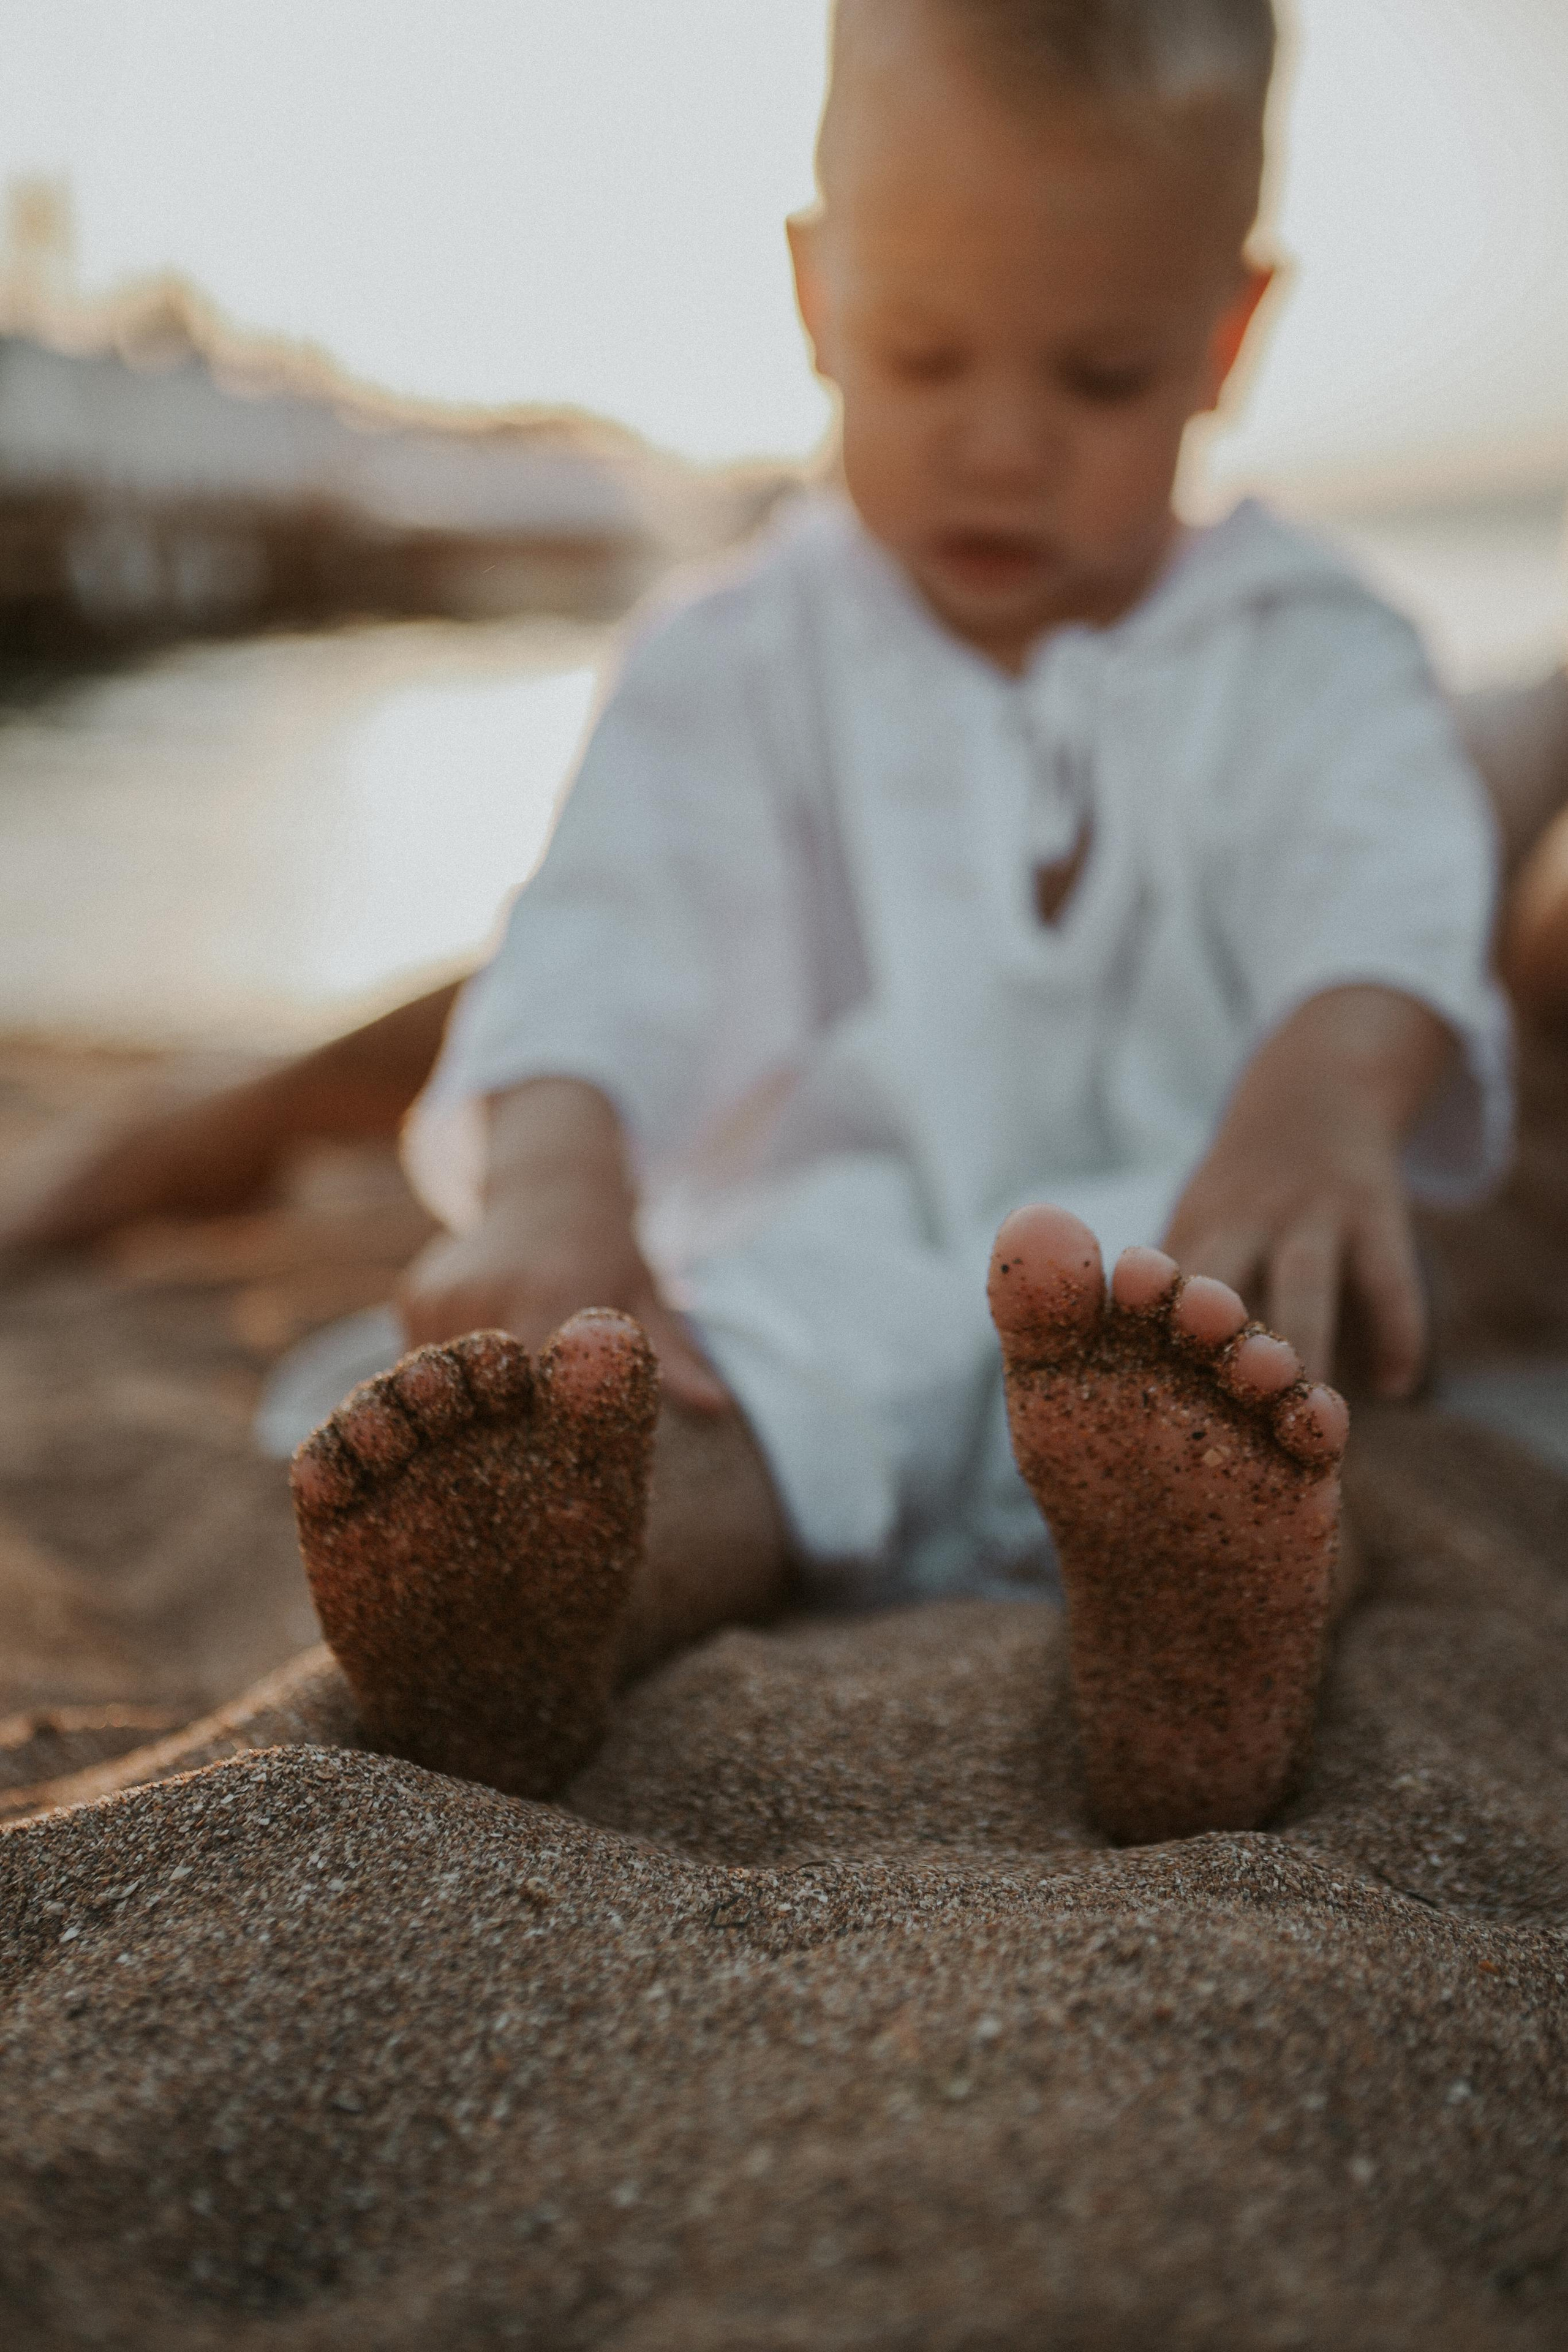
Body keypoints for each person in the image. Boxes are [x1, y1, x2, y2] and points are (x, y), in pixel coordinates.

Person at [0, 0, 1516, 1844]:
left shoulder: (1314, 643)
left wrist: (1327, 1091)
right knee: (716, 1382)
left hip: (1194, 1232)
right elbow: (612, 932)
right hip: (817, 1253)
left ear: (1230, 333)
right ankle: (564, 1590)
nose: (1001, 445)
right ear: (812, 294)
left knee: (1282, 1407)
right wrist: (563, 1182)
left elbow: (1395, 868)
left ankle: (1207, 1654)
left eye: (1100, 376)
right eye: (923, 354)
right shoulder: (736, 655)